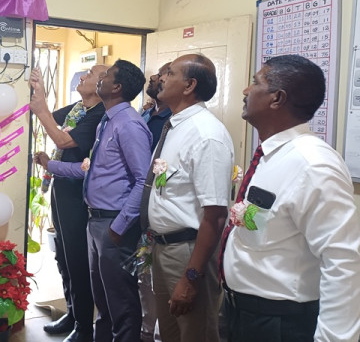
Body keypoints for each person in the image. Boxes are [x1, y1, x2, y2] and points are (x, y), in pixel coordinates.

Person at [221, 54, 360, 341]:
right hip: (242, 314)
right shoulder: (272, 156)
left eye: (255, 83)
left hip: (280, 323)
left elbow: (343, 260)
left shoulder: (313, 165)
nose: (246, 91)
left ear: (277, 98)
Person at [35, 59, 152, 342]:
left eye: (104, 75)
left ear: (117, 86)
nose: (96, 79)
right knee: (103, 299)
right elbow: (91, 170)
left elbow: (143, 181)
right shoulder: (108, 120)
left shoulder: (129, 124)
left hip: (113, 222)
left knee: (120, 301)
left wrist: (119, 226)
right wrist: (52, 166)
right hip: (96, 219)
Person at [141, 54, 234, 342]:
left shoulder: (206, 135)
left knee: (195, 334)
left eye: (169, 73)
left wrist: (191, 278)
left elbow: (215, 216)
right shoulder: (175, 125)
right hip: (164, 249)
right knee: (170, 334)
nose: (161, 78)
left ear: (189, 85)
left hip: (188, 252)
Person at [29, 65, 107, 342]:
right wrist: (39, 94)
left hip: (79, 196)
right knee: (62, 255)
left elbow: (63, 139)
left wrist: (41, 108)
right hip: (61, 189)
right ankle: (72, 313)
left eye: (91, 74)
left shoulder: (99, 114)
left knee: (77, 260)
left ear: (104, 85)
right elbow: (51, 119)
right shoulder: (78, 109)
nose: (82, 76)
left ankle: (84, 326)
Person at [139, 62, 172, 342]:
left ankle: (153, 331)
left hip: (159, 206)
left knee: (153, 277)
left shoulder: (173, 121)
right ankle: (145, 328)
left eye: (162, 75)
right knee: (142, 274)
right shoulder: (148, 113)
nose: (153, 77)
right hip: (138, 204)